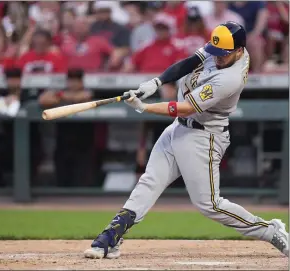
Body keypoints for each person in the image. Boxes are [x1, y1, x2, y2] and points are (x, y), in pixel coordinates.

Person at [84, 21, 289, 259]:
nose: (217, 58)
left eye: (224, 55)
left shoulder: (230, 78)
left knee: (210, 205)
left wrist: (144, 107)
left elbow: (185, 108)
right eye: (216, 53)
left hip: (204, 137)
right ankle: (111, 236)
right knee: (149, 182)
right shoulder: (222, 46)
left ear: (240, 51)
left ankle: (270, 230)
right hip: (177, 130)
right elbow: (191, 62)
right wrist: (157, 82)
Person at [39, 69, 103, 187]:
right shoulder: (60, 92)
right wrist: (63, 95)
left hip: (84, 145)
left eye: (77, 80)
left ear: (82, 82)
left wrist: (63, 97)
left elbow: (83, 97)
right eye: (71, 80)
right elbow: (43, 100)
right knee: (62, 181)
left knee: (83, 182)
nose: (74, 84)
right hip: (63, 144)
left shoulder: (89, 92)